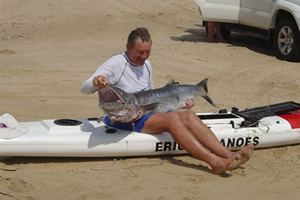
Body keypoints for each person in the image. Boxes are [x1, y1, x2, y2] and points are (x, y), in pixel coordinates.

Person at [81, 27, 253, 174]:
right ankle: (214, 162)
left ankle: (228, 154)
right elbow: (85, 88)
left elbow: (153, 94)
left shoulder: (146, 65)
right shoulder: (116, 63)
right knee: (172, 120)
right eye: (140, 52)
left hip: (145, 113)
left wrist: (180, 103)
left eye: (148, 52)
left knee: (189, 116)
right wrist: (98, 80)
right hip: (123, 118)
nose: (144, 56)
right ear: (128, 47)